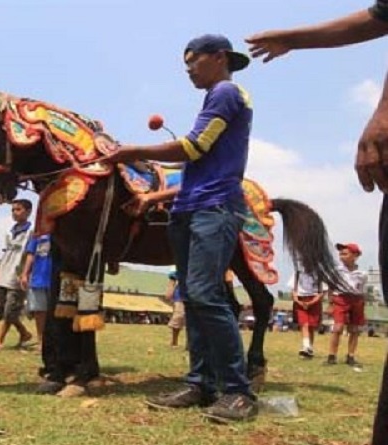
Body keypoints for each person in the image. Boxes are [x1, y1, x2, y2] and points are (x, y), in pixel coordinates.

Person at [96, 34, 257, 422]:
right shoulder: (213, 97)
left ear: (219, 58)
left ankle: (238, 391)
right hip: (189, 207)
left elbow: (193, 148)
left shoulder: (225, 93)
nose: (187, 69)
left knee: (204, 295)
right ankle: (200, 383)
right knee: (193, 298)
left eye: (193, 61)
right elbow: (198, 167)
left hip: (214, 210)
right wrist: (154, 198)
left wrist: (130, 151)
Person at [246, 10, 388, 440]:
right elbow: (379, 16)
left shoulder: (227, 101)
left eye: (195, 60)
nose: (190, 69)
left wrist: (385, 111)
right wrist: (294, 38)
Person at [0, 199, 34, 351]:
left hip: (16, 275)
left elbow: (30, 254)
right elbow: (5, 252)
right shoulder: (10, 231)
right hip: (4, 272)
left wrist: (25, 273)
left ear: (28, 211)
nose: (14, 213)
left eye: (18, 209)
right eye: (13, 210)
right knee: (1, 309)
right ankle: (24, 332)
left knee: (11, 309)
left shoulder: (31, 231)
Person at [326, 243, 368, 367]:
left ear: (355, 256)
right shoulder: (336, 271)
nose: (341, 256)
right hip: (341, 298)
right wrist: (330, 303)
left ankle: (350, 356)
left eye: (345, 254)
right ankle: (332, 355)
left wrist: (362, 306)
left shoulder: (362, 274)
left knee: (354, 329)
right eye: (340, 254)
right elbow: (330, 287)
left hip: (356, 299)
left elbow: (362, 290)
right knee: (337, 327)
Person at [20, 233, 51, 346]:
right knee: (39, 311)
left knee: (54, 313)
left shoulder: (62, 232)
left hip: (56, 279)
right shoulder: (37, 235)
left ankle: (54, 342)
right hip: (38, 279)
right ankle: (41, 341)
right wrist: (24, 274)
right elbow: (30, 255)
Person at [290, 269, 326, 359]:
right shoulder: (298, 273)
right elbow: (293, 290)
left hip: (314, 300)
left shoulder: (319, 274)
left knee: (311, 326)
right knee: (304, 324)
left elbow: (322, 292)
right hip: (300, 300)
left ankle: (309, 348)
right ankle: (306, 346)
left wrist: (311, 302)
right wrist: (298, 301)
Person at [164, 271, 185, 348]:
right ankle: (174, 341)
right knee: (179, 317)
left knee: (194, 321)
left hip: (198, 293)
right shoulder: (183, 263)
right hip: (180, 296)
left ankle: (190, 344)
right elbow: (173, 276)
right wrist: (169, 290)